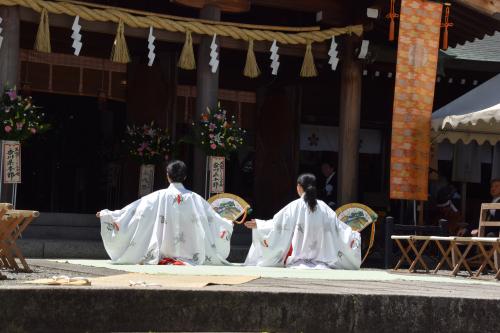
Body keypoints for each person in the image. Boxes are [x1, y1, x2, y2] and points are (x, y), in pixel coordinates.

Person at [97, 160, 233, 265]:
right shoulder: (196, 198)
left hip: (161, 252)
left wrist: (109, 215)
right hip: (193, 254)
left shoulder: (156, 197)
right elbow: (213, 218)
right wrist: (228, 223)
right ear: (185, 176)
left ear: (167, 176)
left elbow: (134, 212)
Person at [243, 173, 361, 269]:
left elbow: (278, 224)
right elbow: (338, 228)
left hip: (297, 263)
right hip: (323, 264)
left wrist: (259, 224)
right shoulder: (324, 207)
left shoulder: (294, 206)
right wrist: (352, 234)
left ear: (299, 187)